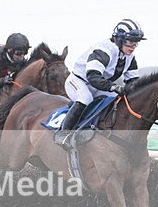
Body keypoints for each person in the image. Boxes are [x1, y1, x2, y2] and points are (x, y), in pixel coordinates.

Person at [55, 19, 146, 147]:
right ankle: (63, 134)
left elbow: (133, 81)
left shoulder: (130, 58)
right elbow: (93, 76)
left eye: (136, 43)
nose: (133, 47)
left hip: (98, 85)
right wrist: (113, 86)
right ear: (119, 39)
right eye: (130, 42)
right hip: (79, 81)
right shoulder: (104, 50)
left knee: (114, 101)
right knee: (85, 99)